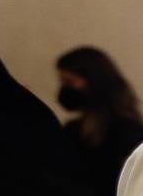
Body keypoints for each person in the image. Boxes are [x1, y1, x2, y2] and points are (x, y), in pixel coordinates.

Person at [54, 47, 143, 195]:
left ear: (95, 82)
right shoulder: (74, 130)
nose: (64, 89)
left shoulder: (126, 133)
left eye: (70, 82)